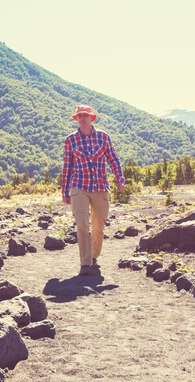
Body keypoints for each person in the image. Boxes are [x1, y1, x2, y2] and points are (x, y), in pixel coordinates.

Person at [62, 105, 125, 276]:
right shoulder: (71, 140)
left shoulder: (103, 137)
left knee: (98, 226)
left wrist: (119, 179)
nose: (83, 118)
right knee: (82, 224)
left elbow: (114, 159)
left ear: (91, 118)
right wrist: (65, 192)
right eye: (80, 116)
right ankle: (85, 263)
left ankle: (94, 257)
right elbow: (67, 167)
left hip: (100, 186)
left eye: (86, 115)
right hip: (78, 186)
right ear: (77, 118)